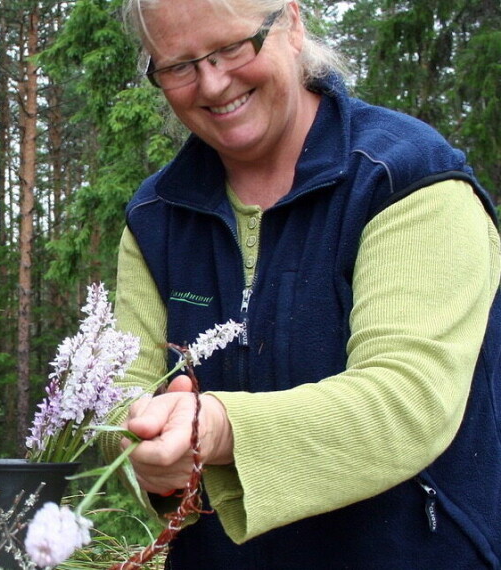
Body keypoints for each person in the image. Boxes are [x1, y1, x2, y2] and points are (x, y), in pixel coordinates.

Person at [107, 0, 501, 567]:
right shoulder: (156, 216)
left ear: (291, 23)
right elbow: (116, 395)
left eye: (231, 48)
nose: (212, 84)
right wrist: (144, 446)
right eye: (178, 66)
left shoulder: (409, 178)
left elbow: (407, 401)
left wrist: (219, 429)